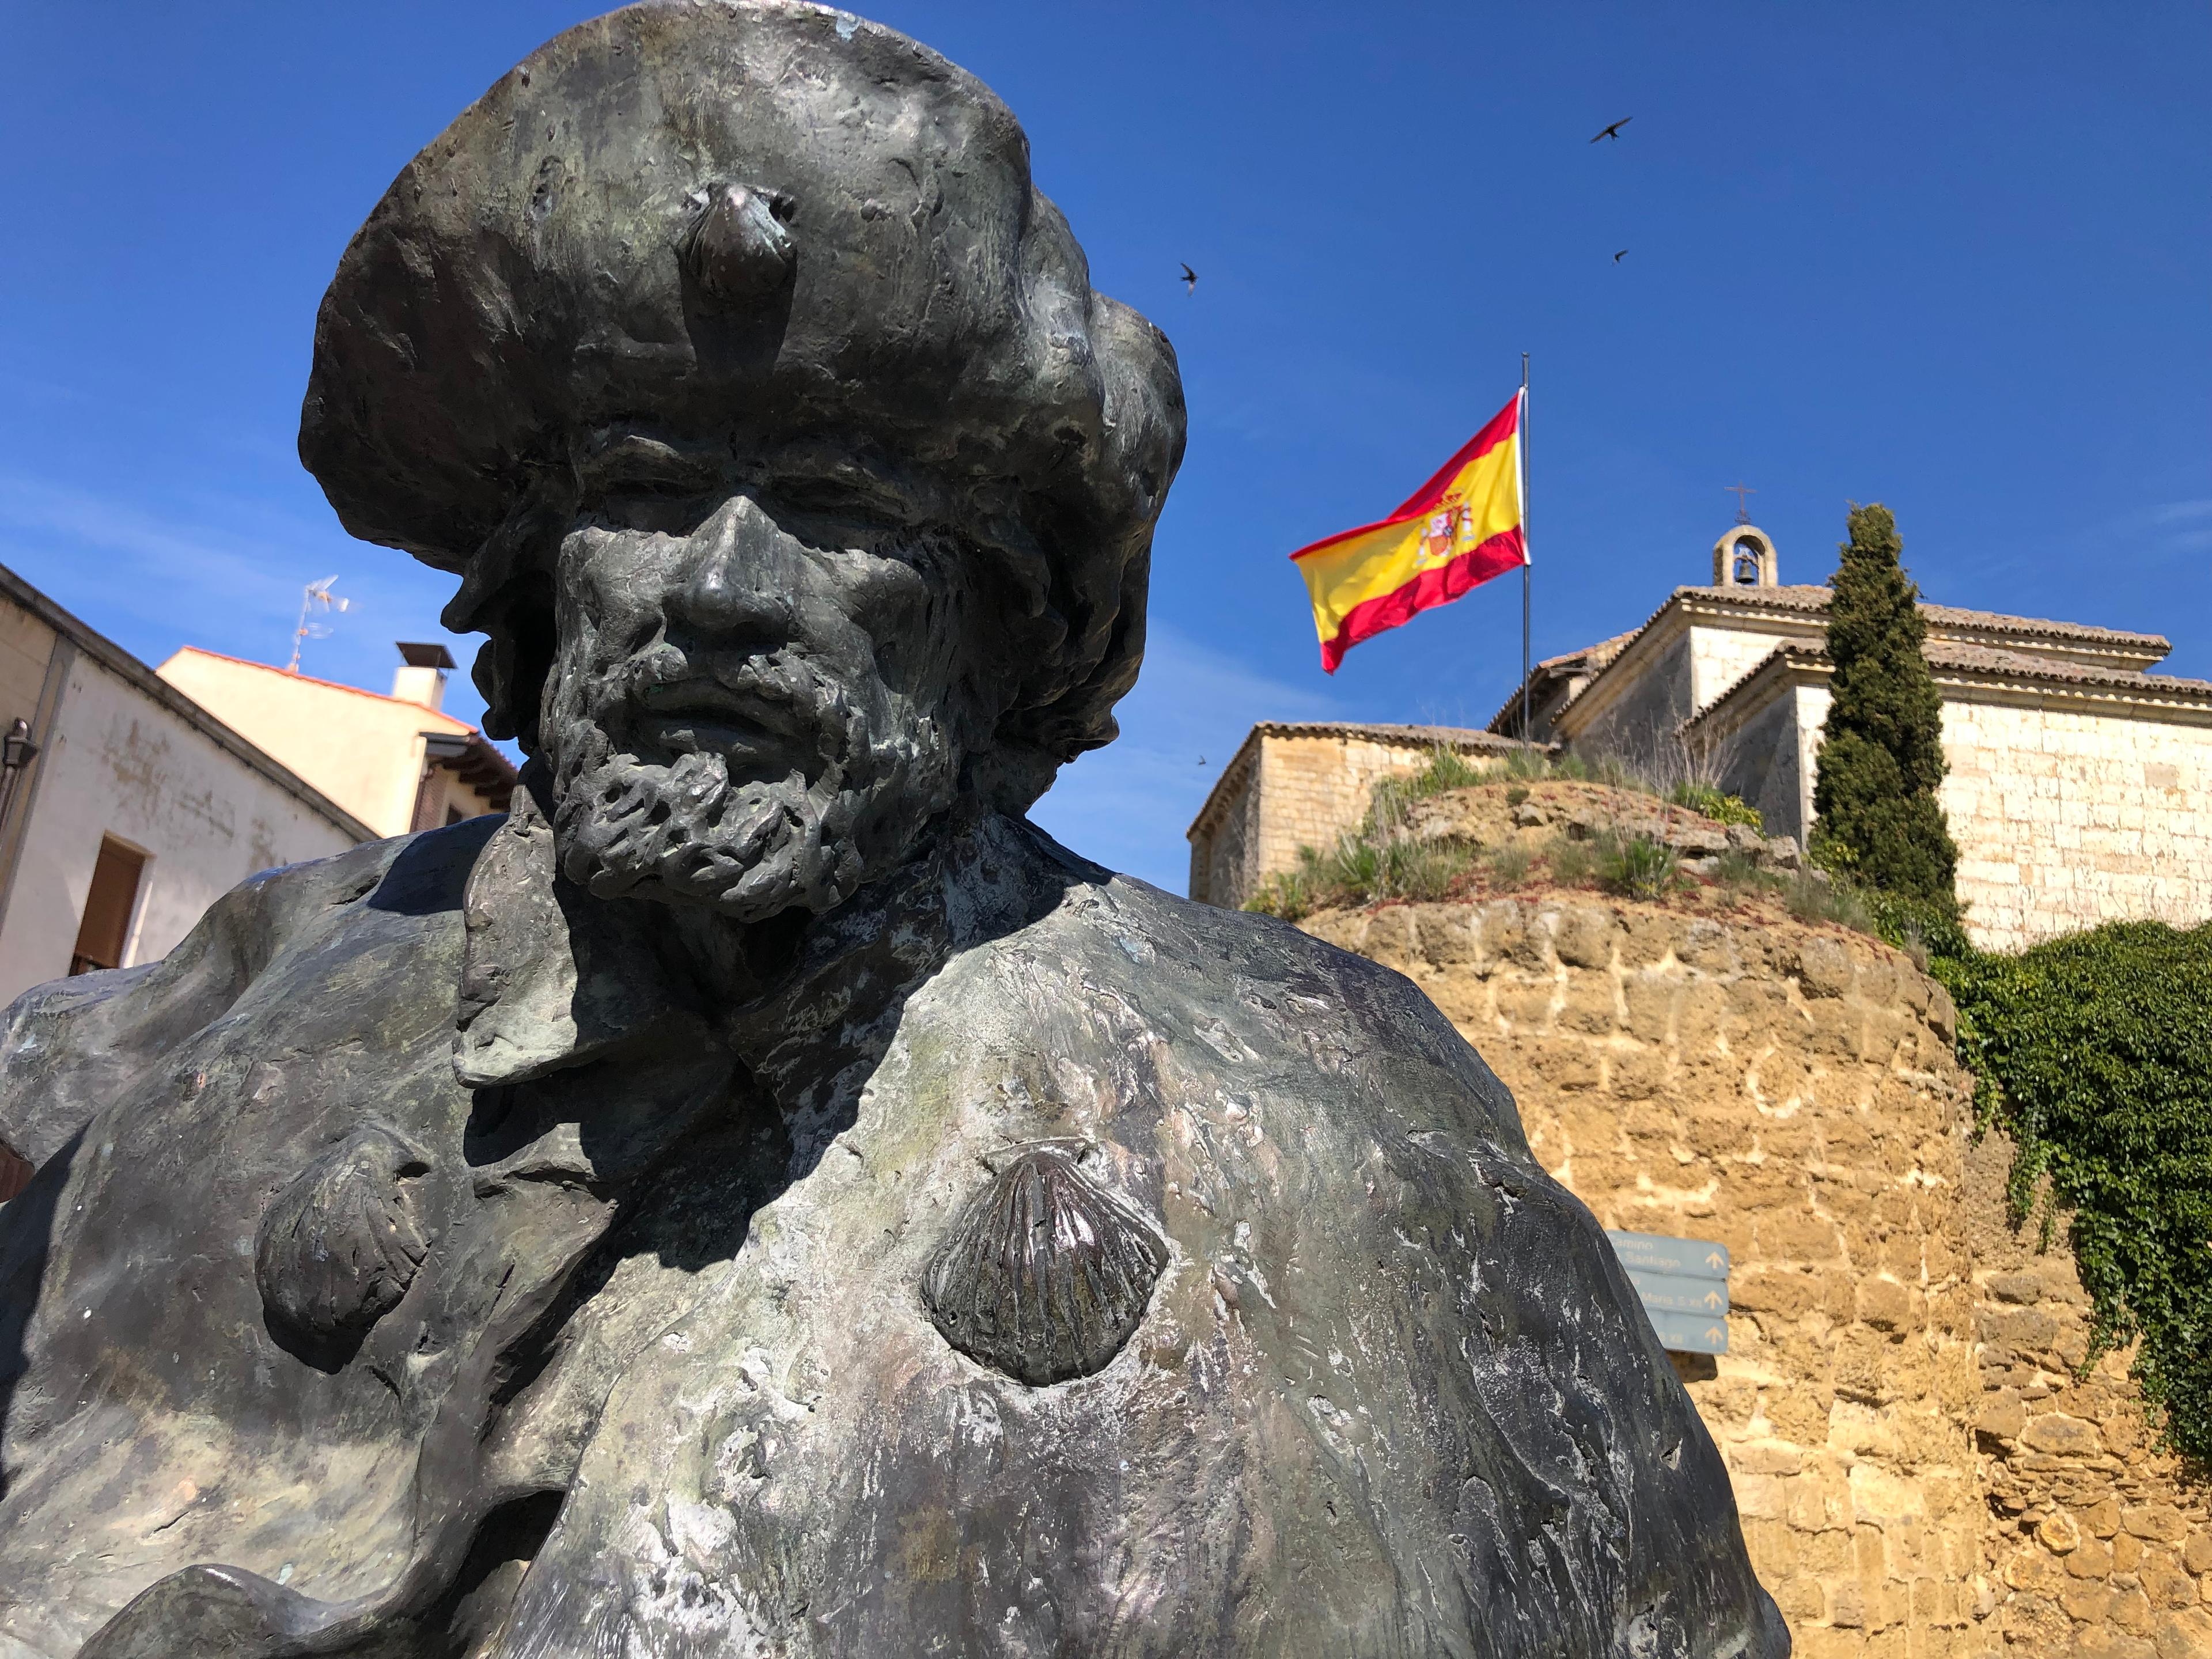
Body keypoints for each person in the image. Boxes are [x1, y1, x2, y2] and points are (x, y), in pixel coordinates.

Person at [0, 7, 1785, 1655]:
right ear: (536, 572)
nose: (719, 586)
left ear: (1003, 618)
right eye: (642, 489)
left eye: (841, 511)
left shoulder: (1337, 1116)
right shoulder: (234, 1017)